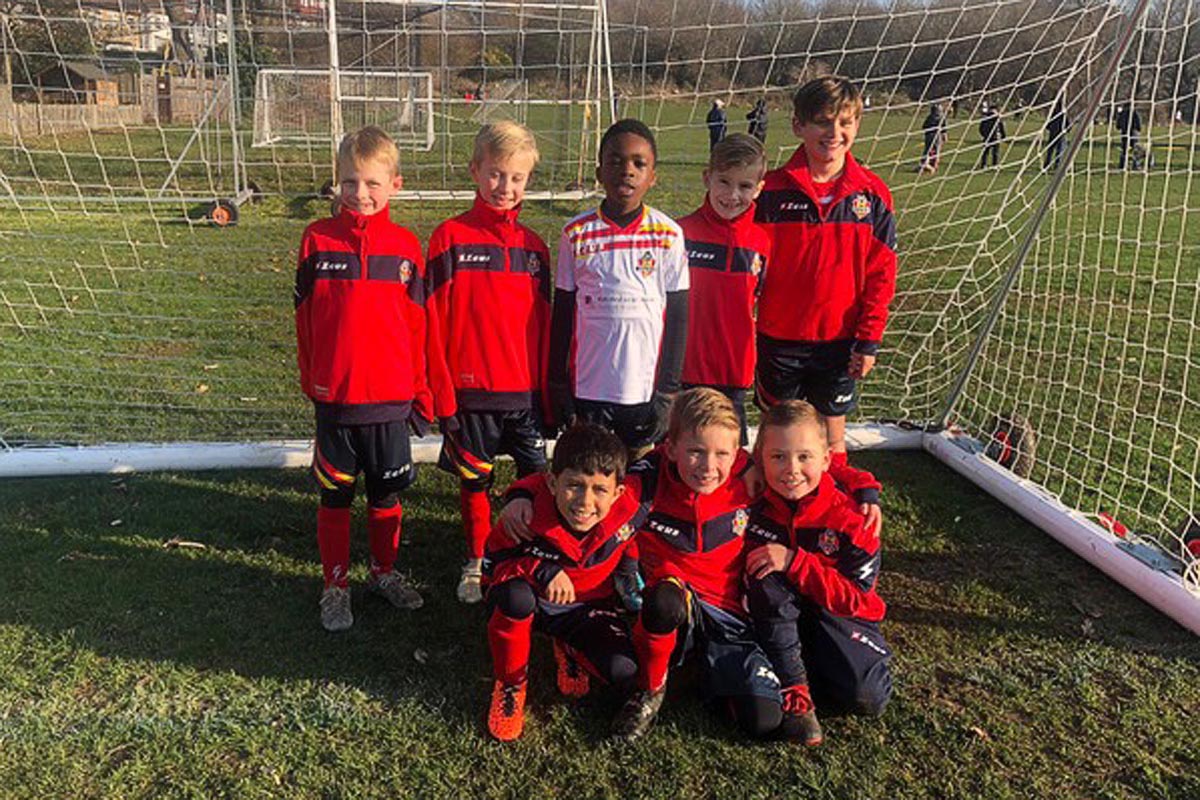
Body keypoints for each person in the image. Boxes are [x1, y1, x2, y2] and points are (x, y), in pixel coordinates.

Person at [294, 126, 431, 631]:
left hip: (390, 402)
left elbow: (418, 326)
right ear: (336, 184)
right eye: (349, 182)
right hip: (337, 400)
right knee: (335, 496)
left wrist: (420, 389)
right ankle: (335, 584)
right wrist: (316, 381)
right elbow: (304, 319)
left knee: (385, 495)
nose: (360, 193)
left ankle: (383, 571)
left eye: (372, 182)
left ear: (394, 184)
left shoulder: (405, 248)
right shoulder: (316, 239)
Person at [753, 75, 891, 533]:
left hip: (839, 341)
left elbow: (880, 275)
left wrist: (868, 340)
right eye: (823, 123)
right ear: (798, 126)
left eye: (846, 123)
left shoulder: (872, 195)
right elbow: (749, 263)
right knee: (778, 430)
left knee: (831, 433)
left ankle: (828, 517)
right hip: (778, 337)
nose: (834, 134)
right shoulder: (769, 191)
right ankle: (768, 516)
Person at [425, 121, 553, 604]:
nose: (506, 187)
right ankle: (477, 560)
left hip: (522, 393)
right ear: (475, 171)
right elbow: (433, 322)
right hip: (470, 392)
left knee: (537, 480)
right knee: (475, 482)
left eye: (517, 177)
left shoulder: (534, 249)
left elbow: (543, 327)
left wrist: (545, 393)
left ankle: (537, 553)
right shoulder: (449, 238)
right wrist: (443, 393)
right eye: (496, 174)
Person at [611, 388, 784, 742]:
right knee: (664, 601)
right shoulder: (647, 481)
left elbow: (815, 477)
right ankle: (651, 689)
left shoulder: (750, 476)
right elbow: (598, 500)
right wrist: (524, 494)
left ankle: (699, 667)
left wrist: (864, 494)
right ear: (670, 448)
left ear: (737, 453)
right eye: (695, 452)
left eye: (722, 453)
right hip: (675, 603)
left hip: (729, 612)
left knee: (762, 719)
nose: (708, 467)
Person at [481, 422, 647, 741]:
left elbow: (668, 472)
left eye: (599, 489)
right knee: (514, 598)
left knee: (625, 672)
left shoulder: (628, 510)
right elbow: (492, 567)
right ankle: (510, 684)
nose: (585, 501)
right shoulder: (525, 517)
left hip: (586, 607)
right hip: (531, 605)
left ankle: (569, 646)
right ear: (552, 482)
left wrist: (629, 569)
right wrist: (541, 570)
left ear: (618, 493)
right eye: (574, 485)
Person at [744, 400, 893, 747]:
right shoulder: (752, 498)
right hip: (772, 610)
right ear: (759, 459)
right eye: (777, 457)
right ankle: (796, 689)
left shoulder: (855, 518)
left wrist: (796, 561)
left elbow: (856, 599)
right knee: (766, 576)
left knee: (867, 697)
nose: (791, 469)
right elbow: (712, 459)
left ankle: (811, 656)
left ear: (826, 459)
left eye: (804, 457)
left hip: (835, 613)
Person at [548, 118, 689, 457]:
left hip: (641, 389)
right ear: (599, 172)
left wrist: (668, 392)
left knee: (639, 475)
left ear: (652, 176)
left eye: (639, 164)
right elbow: (564, 313)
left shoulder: (668, 234)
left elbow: (679, 319)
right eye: (615, 161)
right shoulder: (575, 233)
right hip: (589, 387)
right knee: (590, 469)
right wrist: (557, 382)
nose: (627, 170)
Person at [678, 133, 771, 444]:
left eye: (744, 186)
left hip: (733, 373)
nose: (732, 195)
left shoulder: (763, 242)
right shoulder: (679, 234)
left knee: (729, 459)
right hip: (682, 370)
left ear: (759, 188)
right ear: (707, 178)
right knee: (679, 455)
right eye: (724, 182)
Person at [920, 102, 946, 173]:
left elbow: (924, 127)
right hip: (937, 136)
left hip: (928, 136)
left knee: (928, 150)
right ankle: (933, 166)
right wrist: (944, 136)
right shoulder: (941, 118)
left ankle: (925, 163)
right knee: (936, 150)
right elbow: (944, 129)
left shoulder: (929, 117)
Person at [1044, 97, 1069, 172]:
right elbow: (1067, 124)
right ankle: (1056, 165)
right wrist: (1067, 129)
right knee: (1059, 150)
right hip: (1060, 134)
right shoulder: (1062, 115)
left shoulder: (1054, 114)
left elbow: (1048, 125)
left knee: (1051, 150)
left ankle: (1047, 164)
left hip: (1054, 133)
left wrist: (1050, 128)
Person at [1115, 104, 1143, 169]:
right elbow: (1138, 122)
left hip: (1125, 132)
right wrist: (1138, 128)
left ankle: (1122, 164)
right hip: (1132, 132)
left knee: (1125, 149)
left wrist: (1119, 126)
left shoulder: (1122, 113)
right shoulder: (1134, 112)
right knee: (1134, 148)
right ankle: (1135, 165)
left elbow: (1118, 124)